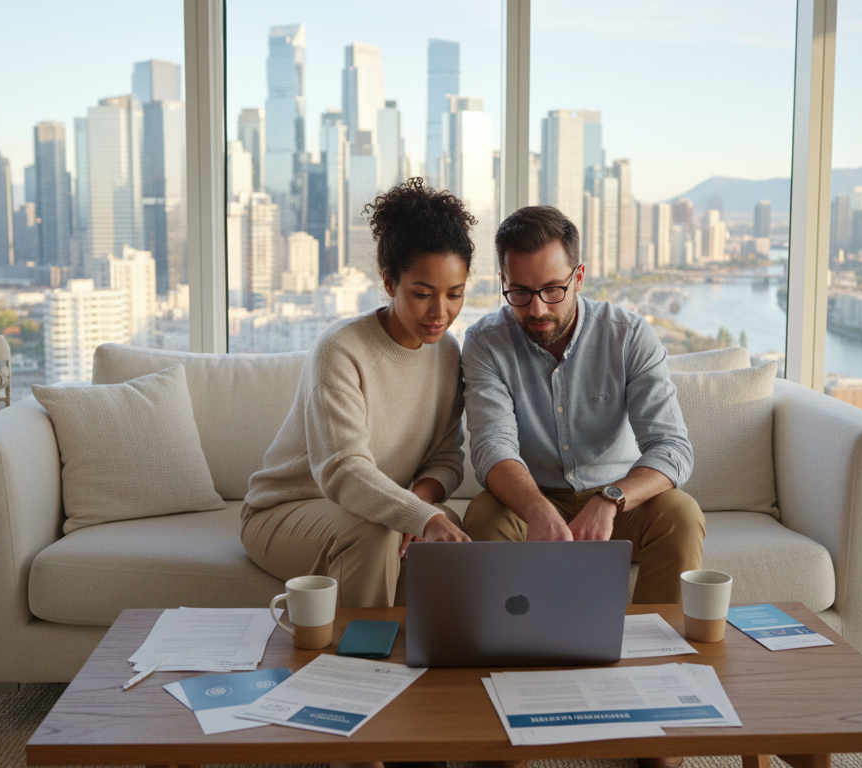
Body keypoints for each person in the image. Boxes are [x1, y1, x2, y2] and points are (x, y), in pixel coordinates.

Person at [464, 206, 701, 768]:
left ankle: (656, 694)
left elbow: (672, 447)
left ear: (579, 275)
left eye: (552, 289)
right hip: (529, 493)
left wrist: (610, 499)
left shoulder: (628, 335)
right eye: (519, 293)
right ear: (503, 281)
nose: (537, 309)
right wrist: (536, 508)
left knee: (682, 514)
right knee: (482, 519)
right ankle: (508, 696)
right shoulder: (485, 341)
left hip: (617, 497)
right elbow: (492, 447)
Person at [241, 178, 473, 610]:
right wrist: (418, 517)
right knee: (376, 534)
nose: (440, 312)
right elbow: (344, 470)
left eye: (454, 294)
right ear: (389, 282)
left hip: (376, 509)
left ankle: (420, 652)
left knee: (445, 531)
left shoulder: (447, 354)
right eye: (422, 294)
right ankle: (357, 654)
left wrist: (418, 507)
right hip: (285, 510)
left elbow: (445, 459)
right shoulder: (341, 349)